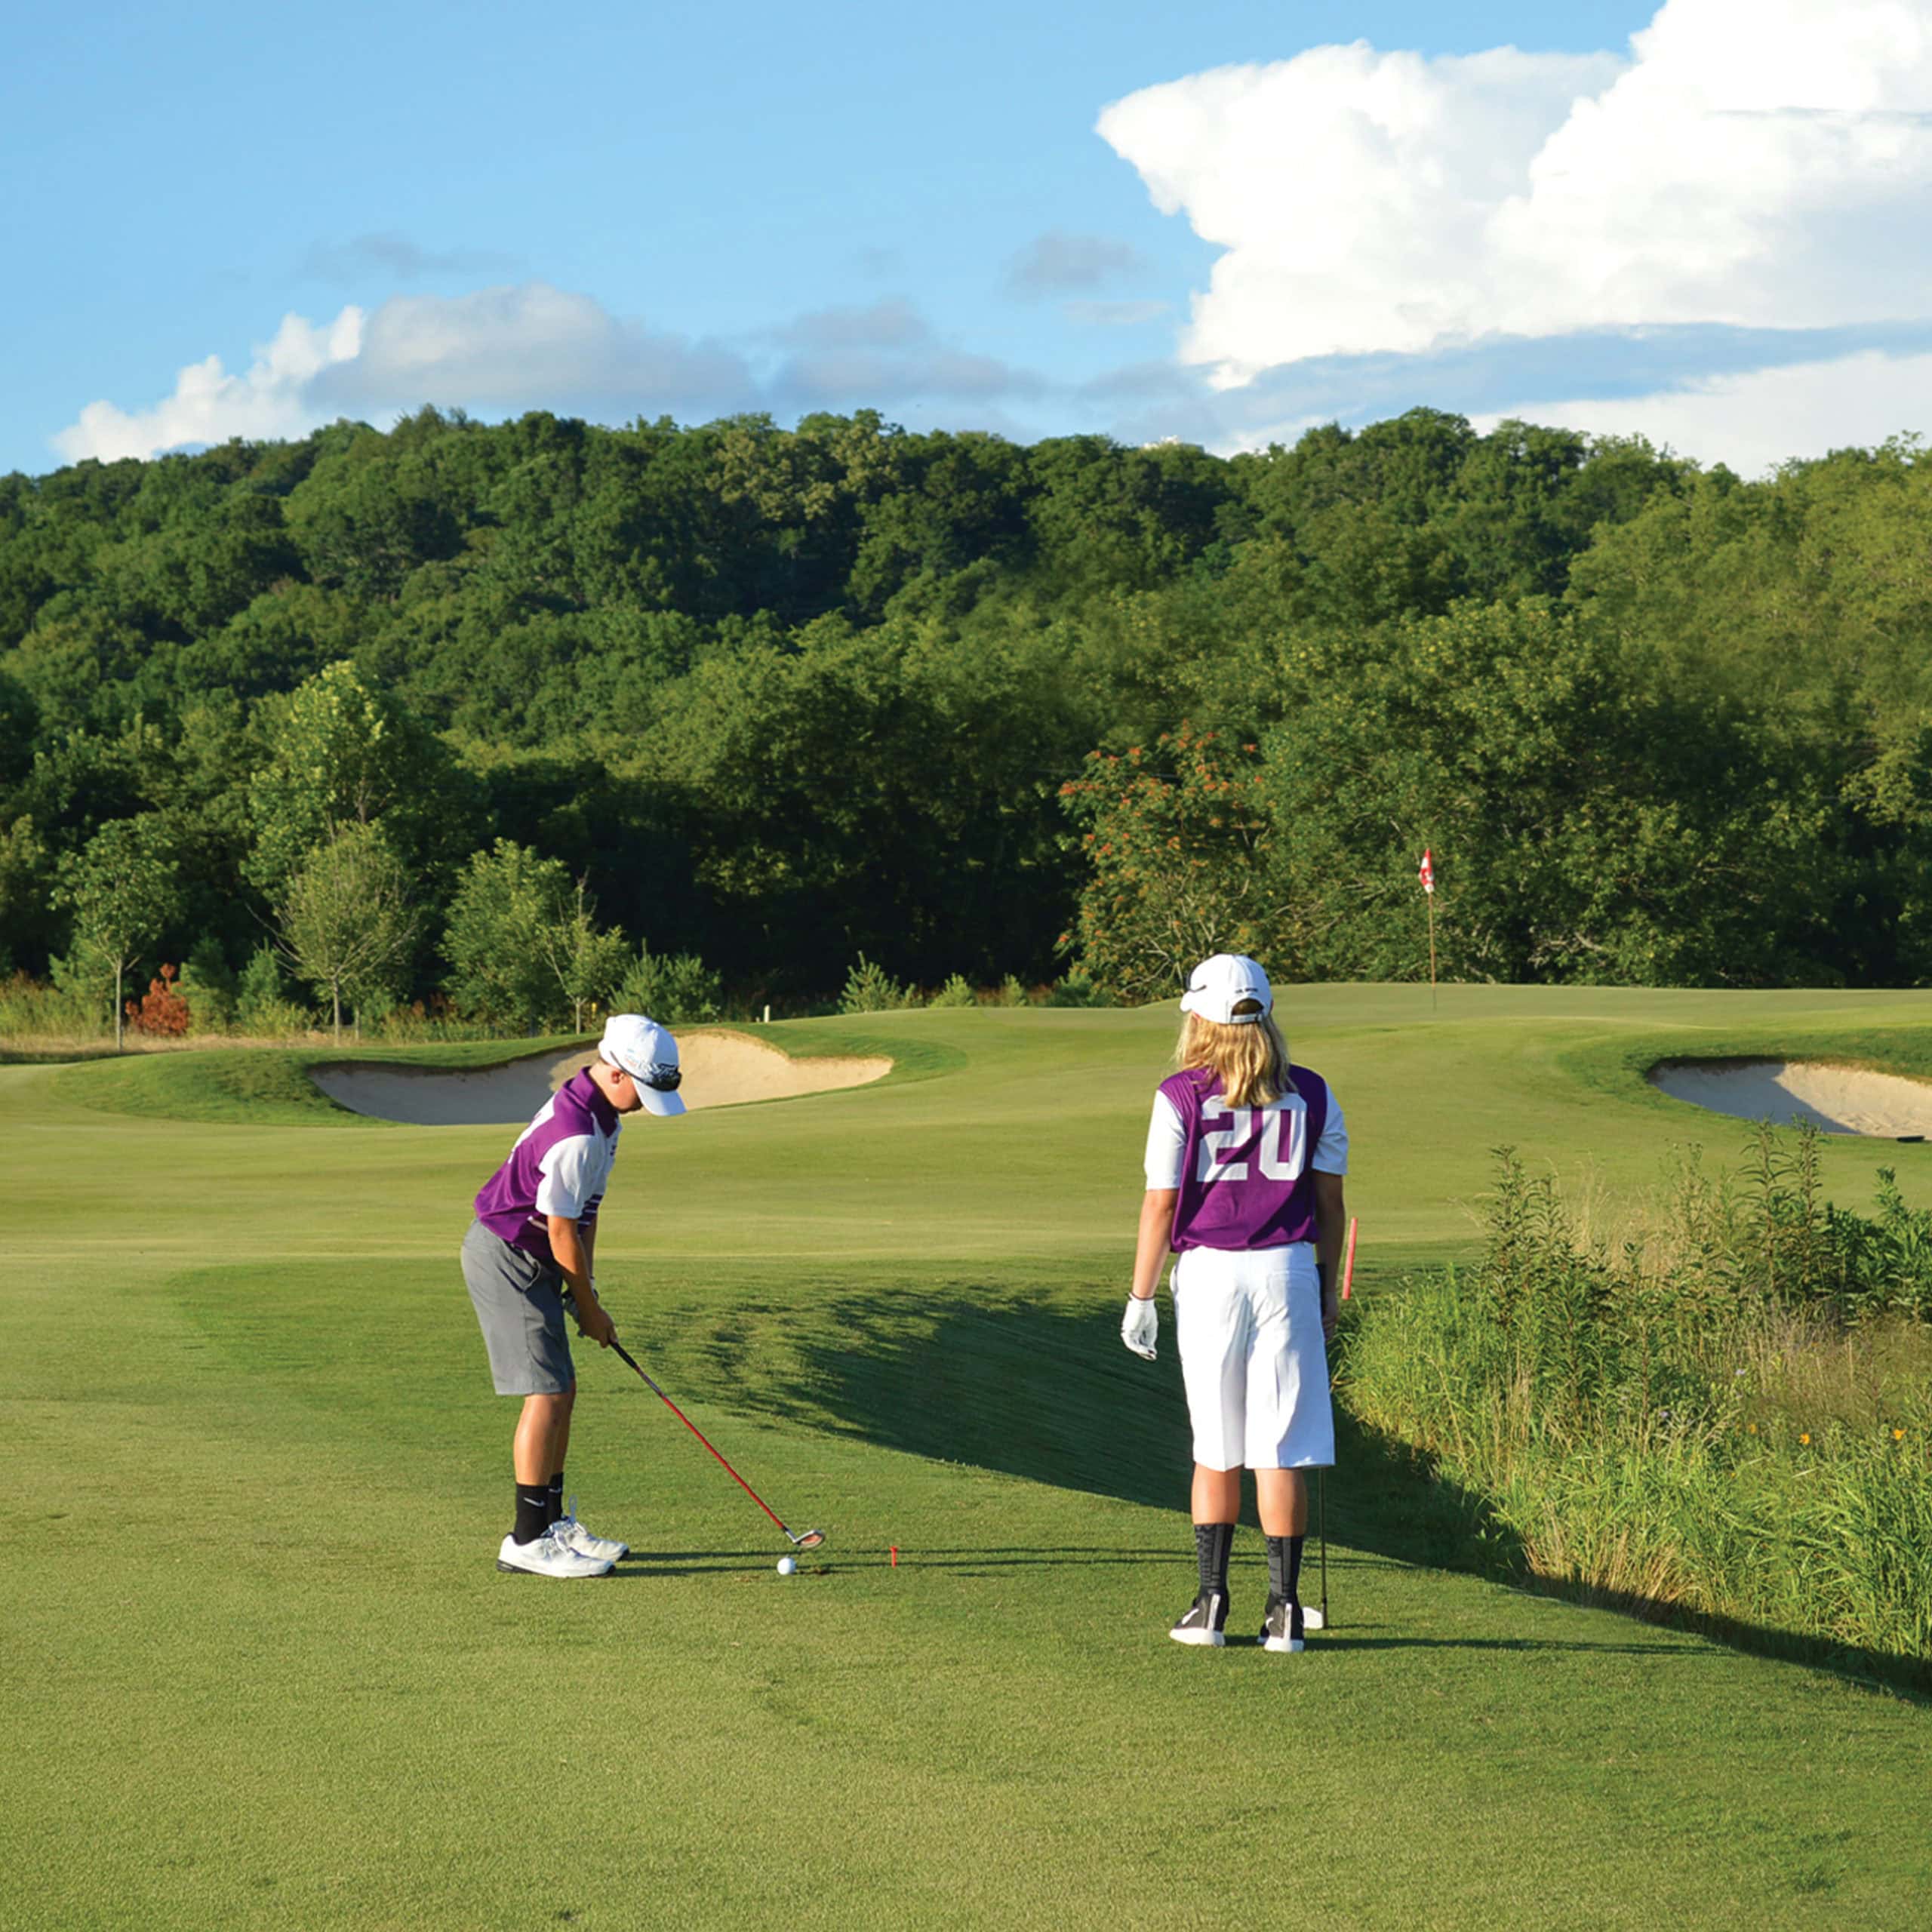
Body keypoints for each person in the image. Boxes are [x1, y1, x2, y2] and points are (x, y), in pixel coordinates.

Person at [1120, 954, 1348, 1651]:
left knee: (1217, 1447)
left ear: (1202, 1017)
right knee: (1282, 1448)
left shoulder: (1179, 1094)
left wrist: (1141, 1294)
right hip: (1288, 1272)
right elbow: (1331, 1204)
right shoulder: (1312, 1091)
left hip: (1212, 1274)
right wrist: (1328, 1281)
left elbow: (1160, 1207)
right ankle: (1284, 1615)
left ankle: (1210, 1608)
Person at [461, 1013, 688, 1577]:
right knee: (548, 1391)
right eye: (645, 1089)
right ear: (616, 1073)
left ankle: (552, 1523)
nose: (646, 1102)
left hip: (537, 1256)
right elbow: (559, 1228)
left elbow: (585, 1217)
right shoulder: (578, 1134)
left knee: (564, 1388)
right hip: (508, 1256)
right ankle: (527, 1539)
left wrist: (588, 1289)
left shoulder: (603, 1117)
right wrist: (587, 1306)